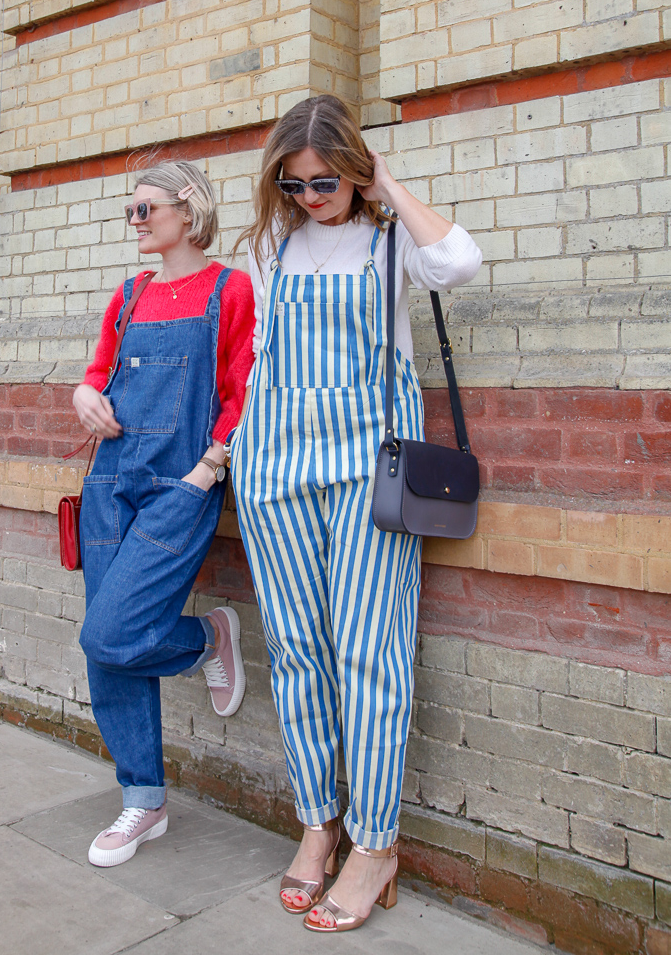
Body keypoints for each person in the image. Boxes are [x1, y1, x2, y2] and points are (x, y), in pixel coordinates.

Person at [230, 95, 482, 933]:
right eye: (294, 185)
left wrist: (386, 185)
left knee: (370, 652)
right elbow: (260, 354)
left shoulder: (388, 242)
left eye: (325, 181)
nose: (311, 198)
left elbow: (459, 262)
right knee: (297, 649)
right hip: (273, 460)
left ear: (356, 168)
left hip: (368, 465)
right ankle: (318, 821)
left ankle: (375, 843)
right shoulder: (273, 245)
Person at [74, 160, 255, 867]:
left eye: (147, 209)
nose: (137, 222)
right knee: (106, 644)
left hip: (179, 483)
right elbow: (98, 374)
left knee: (108, 632)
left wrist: (209, 466)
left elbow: (245, 387)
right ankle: (143, 800)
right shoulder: (127, 295)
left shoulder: (229, 289)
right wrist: (83, 398)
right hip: (108, 481)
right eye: (131, 212)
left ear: (190, 209)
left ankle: (207, 640)